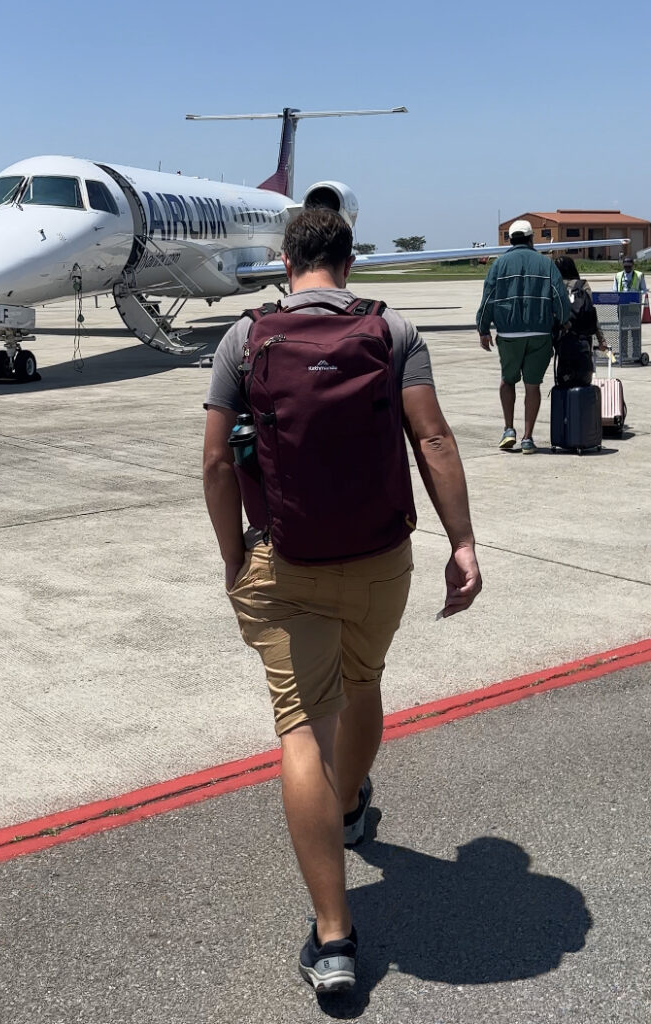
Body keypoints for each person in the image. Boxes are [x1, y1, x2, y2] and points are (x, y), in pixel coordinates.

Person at [203, 208, 482, 993]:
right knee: (364, 683)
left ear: (286, 260)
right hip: (380, 558)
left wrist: (234, 554)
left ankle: (333, 940)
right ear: (349, 261)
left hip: (284, 560)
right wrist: (461, 543)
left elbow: (218, 464)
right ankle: (353, 807)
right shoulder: (393, 332)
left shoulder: (244, 338)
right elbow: (432, 438)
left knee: (301, 732)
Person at [477, 219, 571, 454]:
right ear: (531, 239)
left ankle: (509, 429)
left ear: (510, 239)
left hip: (509, 333)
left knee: (507, 380)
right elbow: (559, 297)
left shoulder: (499, 265)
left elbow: (488, 298)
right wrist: (563, 319)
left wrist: (483, 328)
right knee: (533, 385)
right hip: (539, 332)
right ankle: (528, 438)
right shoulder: (545, 264)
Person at [554, 255, 608, 352]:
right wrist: (601, 339)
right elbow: (591, 312)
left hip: (562, 336)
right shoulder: (582, 285)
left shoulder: (554, 287)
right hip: (583, 336)